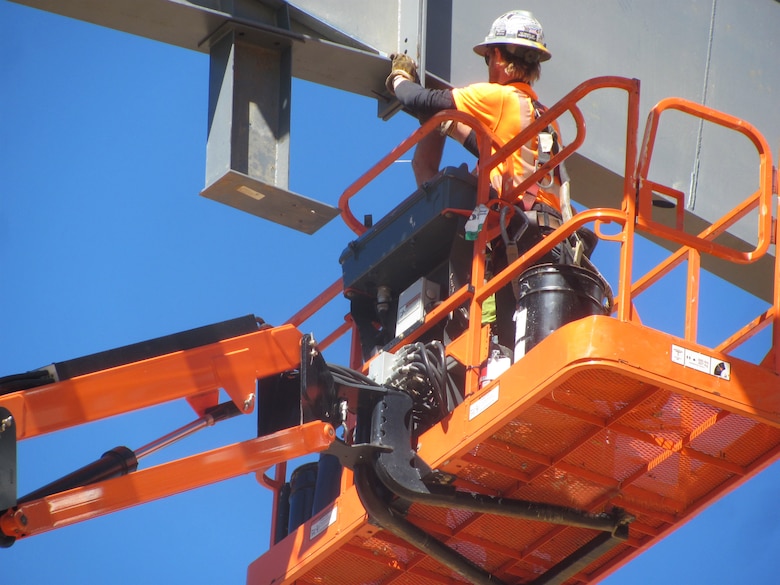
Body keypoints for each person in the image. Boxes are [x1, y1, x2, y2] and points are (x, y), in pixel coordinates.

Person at [386, 10, 569, 353]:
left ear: (498, 56)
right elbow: (494, 150)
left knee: (495, 338)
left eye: (488, 57)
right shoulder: (543, 116)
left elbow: (422, 100)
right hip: (547, 240)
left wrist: (398, 78)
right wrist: (450, 125)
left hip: (516, 239)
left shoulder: (498, 98)